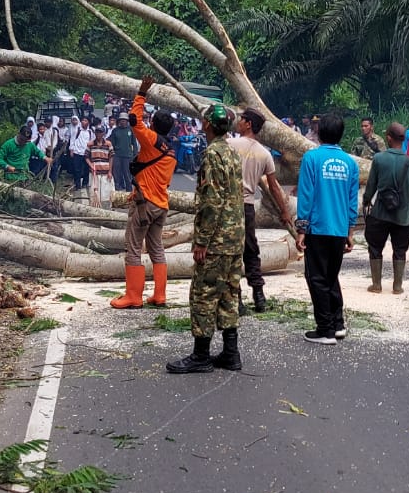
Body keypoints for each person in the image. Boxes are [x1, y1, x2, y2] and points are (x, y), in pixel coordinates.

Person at [166, 104, 246, 374]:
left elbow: (212, 201)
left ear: (208, 125)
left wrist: (201, 240)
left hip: (217, 241)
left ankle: (201, 355)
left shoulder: (212, 155)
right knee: (229, 293)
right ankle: (230, 353)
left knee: (204, 294)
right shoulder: (233, 153)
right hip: (235, 238)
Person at [113, 76, 177, 309]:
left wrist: (141, 92)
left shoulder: (150, 140)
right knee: (156, 248)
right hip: (161, 205)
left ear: (153, 125)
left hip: (145, 205)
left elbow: (133, 119)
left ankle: (133, 296)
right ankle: (159, 295)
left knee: (133, 247)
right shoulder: (170, 151)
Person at [295, 114, 358, 344]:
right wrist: (351, 232)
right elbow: (353, 201)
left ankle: (325, 330)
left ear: (319, 133)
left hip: (318, 228)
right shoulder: (350, 163)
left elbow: (306, 196)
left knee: (317, 278)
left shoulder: (311, 158)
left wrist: (301, 229)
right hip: (340, 228)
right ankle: (338, 323)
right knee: (331, 276)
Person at [228, 108, 296, 314]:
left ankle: (236, 298)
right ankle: (259, 296)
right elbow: (274, 186)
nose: (238, 122)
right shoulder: (263, 153)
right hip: (248, 207)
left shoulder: (229, 146)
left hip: (229, 206)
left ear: (248, 124)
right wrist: (284, 212)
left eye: (242, 119)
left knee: (231, 252)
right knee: (250, 250)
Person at [361, 122, 409, 294]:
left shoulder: (379, 159)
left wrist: (366, 201)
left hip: (380, 213)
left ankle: (376, 284)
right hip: (402, 216)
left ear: (388, 137)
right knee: (400, 250)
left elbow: (371, 186)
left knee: (375, 247)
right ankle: (397, 286)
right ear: (403, 139)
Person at [86, 126, 115, 207]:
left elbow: (111, 157)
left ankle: (107, 210)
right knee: (94, 193)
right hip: (95, 173)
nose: (99, 134)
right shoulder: (90, 144)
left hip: (105, 172)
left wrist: (110, 171)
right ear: (95, 133)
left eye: (100, 132)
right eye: (97, 132)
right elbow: (86, 157)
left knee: (107, 194)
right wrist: (90, 165)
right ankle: (95, 210)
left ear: (103, 133)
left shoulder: (108, 144)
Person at [109, 114, 137, 193]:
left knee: (127, 175)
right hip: (117, 155)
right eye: (121, 120)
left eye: (124, 120)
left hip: (128, 155)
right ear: (119, 121)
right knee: (116, 174)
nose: (123, 121)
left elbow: (134, 143)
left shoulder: (130, 130)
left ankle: (129, 191)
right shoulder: (115, 130)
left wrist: (135, 154)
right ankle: (117, 191)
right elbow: (112, 143)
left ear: (127, 121)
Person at [68, 115, 94, 192]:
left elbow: (92, 141)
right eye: (82, 120)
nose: (83, 122)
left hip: (86, 153)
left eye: (85, 120)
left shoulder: (90, 132)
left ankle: (85, 183)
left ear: (88, 122)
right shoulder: (77, 130)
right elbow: (72, 140)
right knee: (77, 169)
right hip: (77, 152)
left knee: (86, 169)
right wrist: (71, 150)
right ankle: (77, 184)